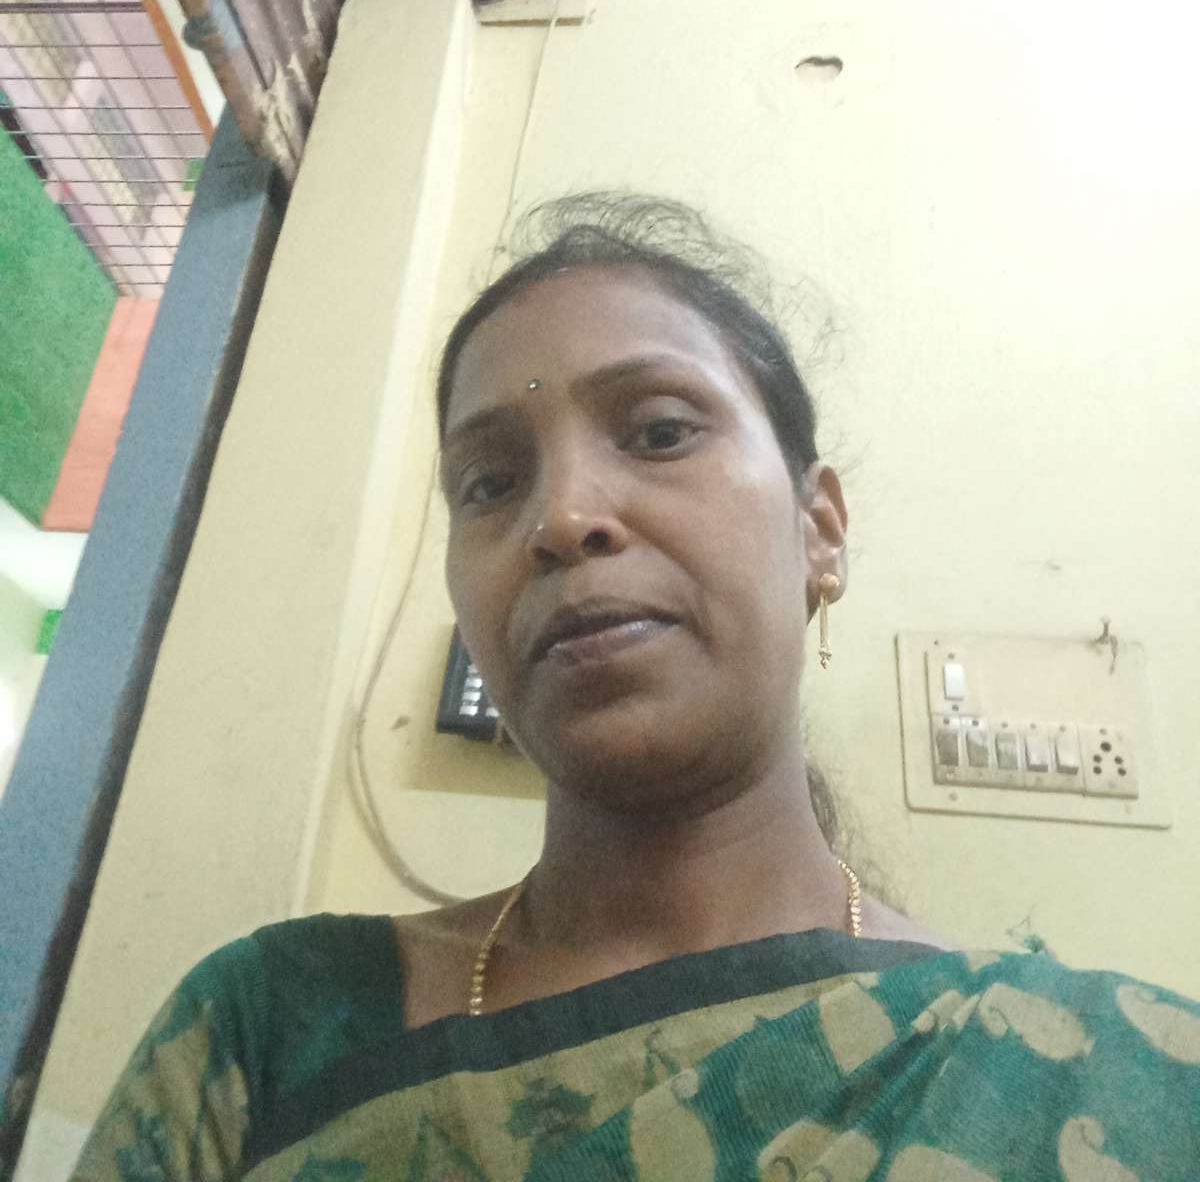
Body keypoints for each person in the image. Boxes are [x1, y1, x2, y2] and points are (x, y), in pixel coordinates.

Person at [72, 194, 1199, 1180]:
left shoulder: (1104, 1077)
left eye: (660, 431)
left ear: (819, 529)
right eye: (489, 482)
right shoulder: (271, 1028)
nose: (562, 518)